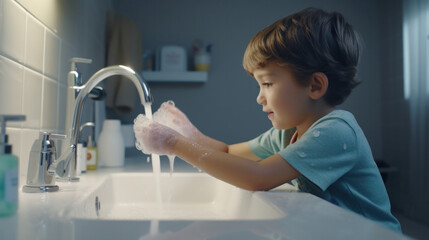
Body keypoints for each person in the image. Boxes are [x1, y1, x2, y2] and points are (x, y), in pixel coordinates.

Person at [134, 8, 401, 232]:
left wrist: (173, 143)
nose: (260, 98)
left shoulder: (337, 131)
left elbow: (258, 177)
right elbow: (228, 152)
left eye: (267, 83)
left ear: (315, 86)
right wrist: (191, 134)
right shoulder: (287, 134)